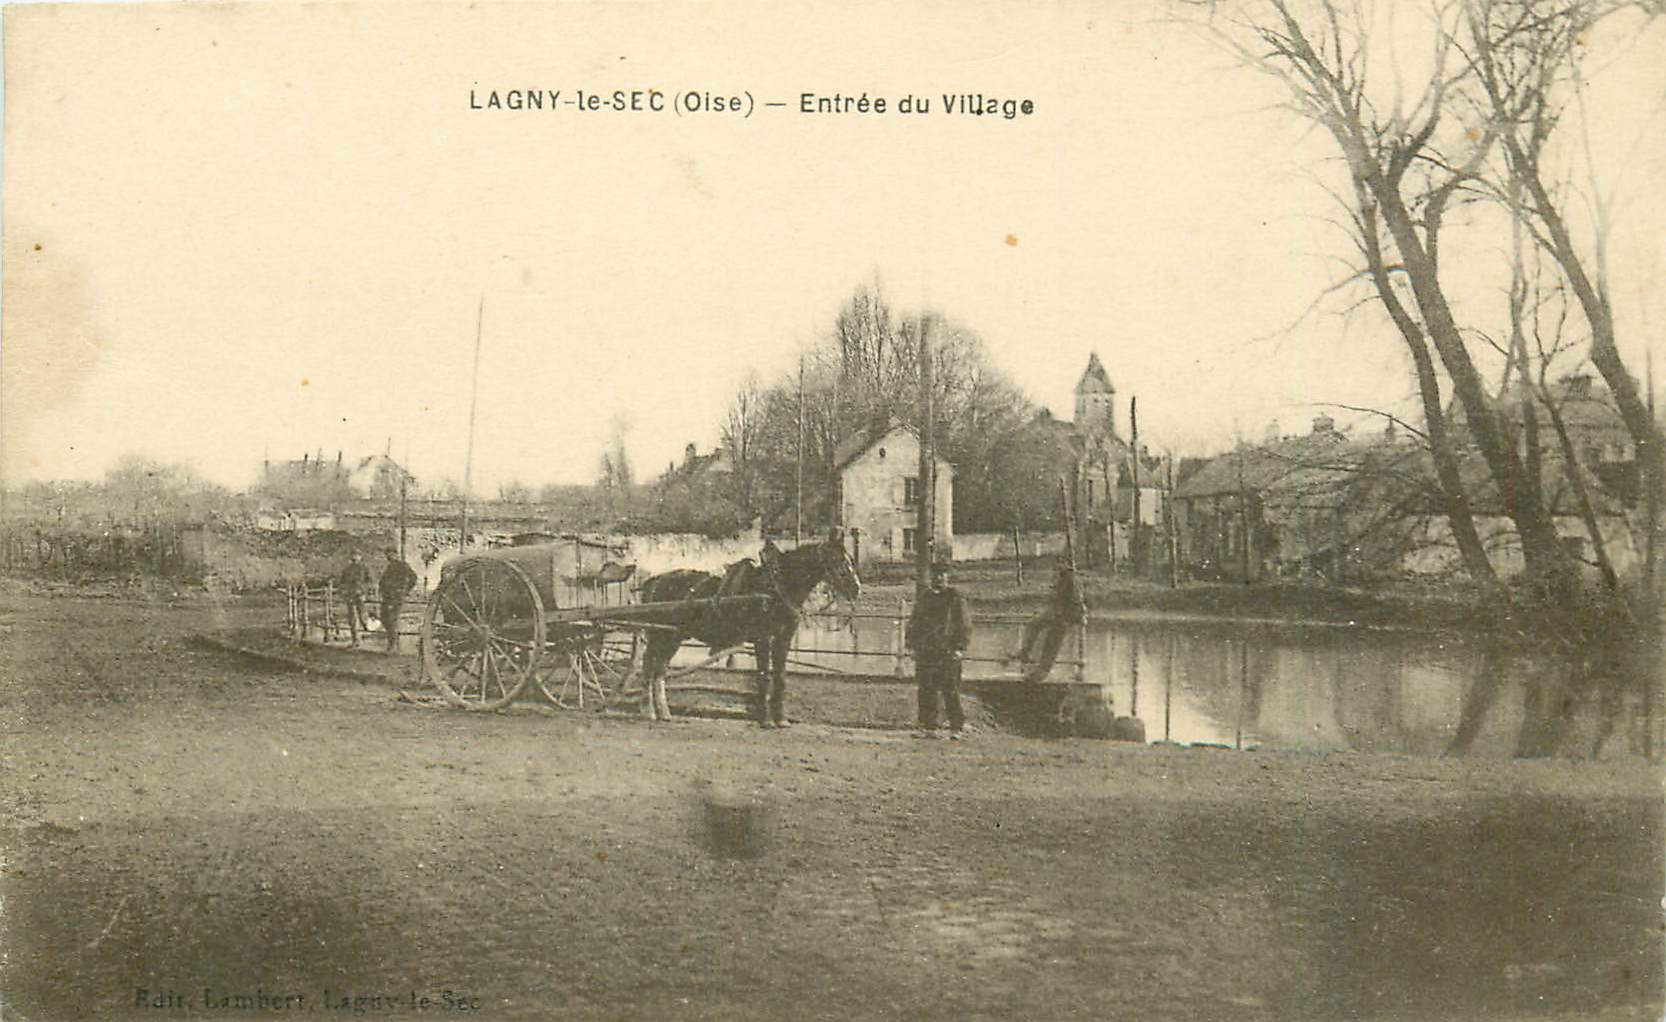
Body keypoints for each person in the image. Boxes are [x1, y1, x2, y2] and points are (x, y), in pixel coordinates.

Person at [907, 561, 972, 739]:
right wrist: (912, 645)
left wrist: (960, 647)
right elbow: (915, 622)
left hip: (947, 650)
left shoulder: (955, 597)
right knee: (926, 688)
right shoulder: (925, 596)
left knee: (950, 689)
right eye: (935, 574)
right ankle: (928, 727)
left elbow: (964, 624)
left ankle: (956, 727)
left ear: (947, 577)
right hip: (927, 650)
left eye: (942, 574)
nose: (938, 578)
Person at [1011, 556, 1087, 682]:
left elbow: (1075, 601)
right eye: (1057, 563)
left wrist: (1066, 616)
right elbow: (1055, 598)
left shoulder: (1072, 580)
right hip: (1056, 613)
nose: (1058, 566)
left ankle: (1041, 672)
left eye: (1061, 563)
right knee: (1034, 624)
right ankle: (1025, 652)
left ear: (1067, 564)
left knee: (1051, 643)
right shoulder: (1062, 578)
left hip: (1065, 616)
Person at [378, 548, 418, 653]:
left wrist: (405, 591)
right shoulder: (389, 567)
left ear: (395, 554)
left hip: (396, 596)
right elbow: (383, 582)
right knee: (384, 618)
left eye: (390, 554)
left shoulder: (402, 565)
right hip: (387, 597)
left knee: (391, 619)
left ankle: (393, 646)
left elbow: (413, 577)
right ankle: (394, 644)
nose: (388, 556)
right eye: (387, 554)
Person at [338, 551, 373, 647]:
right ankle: (355, 640)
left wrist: (364, 591)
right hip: (350, 596)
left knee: (363, 616)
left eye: (357, 555)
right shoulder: (347, 570)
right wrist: (343, 592)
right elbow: (342, 582)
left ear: (360, 557)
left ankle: (368, 629)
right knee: (352, 618)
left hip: (360, 595)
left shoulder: (364, 568)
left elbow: (369, 581)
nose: (355, 557)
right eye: (353, 555)